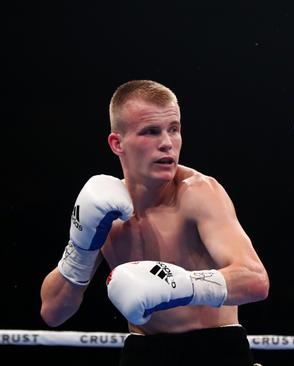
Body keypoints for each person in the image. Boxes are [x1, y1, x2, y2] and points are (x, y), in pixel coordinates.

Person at [40, 80, 269, 366]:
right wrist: (81, 252)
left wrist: (180, 285)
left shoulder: (198, 193)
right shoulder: (104, 209)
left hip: (214, 351)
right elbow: (53, 312)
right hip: (142, 353)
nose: (167, 143)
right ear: (117, 143)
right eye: (151, 131)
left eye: (174, 129)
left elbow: (255, 280)